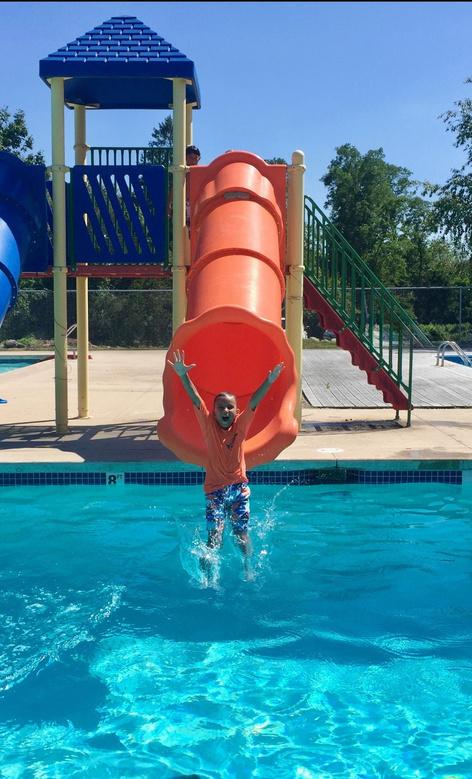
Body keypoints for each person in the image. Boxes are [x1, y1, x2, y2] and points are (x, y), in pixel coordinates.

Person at [168, 349, 284, 574]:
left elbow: (254, 401)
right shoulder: (208, 425)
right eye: (221, 407)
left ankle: (248, 567)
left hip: (239, 489)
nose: (226, 410)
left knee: (241, 534)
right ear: (213, 411)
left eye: (230, 407)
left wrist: (269, 381)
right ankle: (207, 577)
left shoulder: (241, 425)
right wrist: (183, 375)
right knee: (215, 538)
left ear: (236, 411)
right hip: (215, 491)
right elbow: (195, 399)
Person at [167, 145, 201, 224]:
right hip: (183, 204)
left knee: (195, 226)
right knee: (180, 226)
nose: (192, 161)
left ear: (199, 158)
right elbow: (174, 188)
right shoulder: (181, 172)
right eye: (190, 158)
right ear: (185, 158)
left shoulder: (200, 171)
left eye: (195, 158)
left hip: (195, 204)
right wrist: (169, 204)